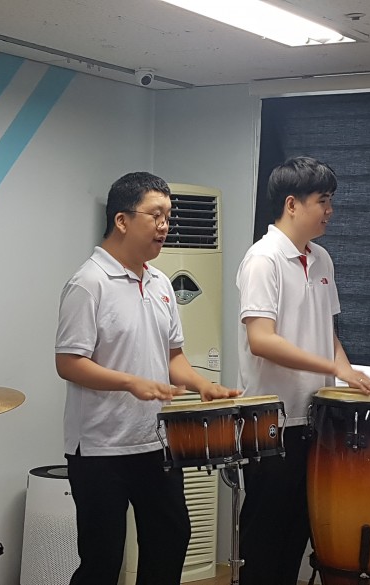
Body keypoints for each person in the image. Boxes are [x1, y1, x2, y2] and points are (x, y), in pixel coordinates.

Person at [55, 171, 240, 585]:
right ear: (122, 220)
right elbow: (69, 363)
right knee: (102, 560)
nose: (165, 226)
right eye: (155, 215)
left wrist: (203, 386)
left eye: (168, 217)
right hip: (99, 448)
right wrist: (130, 382)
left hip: (155, 441)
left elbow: (173, 356)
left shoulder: (160, 283)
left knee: (171, 538)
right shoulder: (88, 283)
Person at [236, 156, 370, 585]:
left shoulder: (322, 258)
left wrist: (351, 374)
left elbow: (328, 332)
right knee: (265, 534)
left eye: (331, 200)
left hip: (316, 419)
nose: (330, 210)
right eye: (322, 200)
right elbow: (262, 340)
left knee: (300, 530)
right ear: (292, 204)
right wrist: (332, 367)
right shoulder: (263, 259)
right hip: (270, 420)